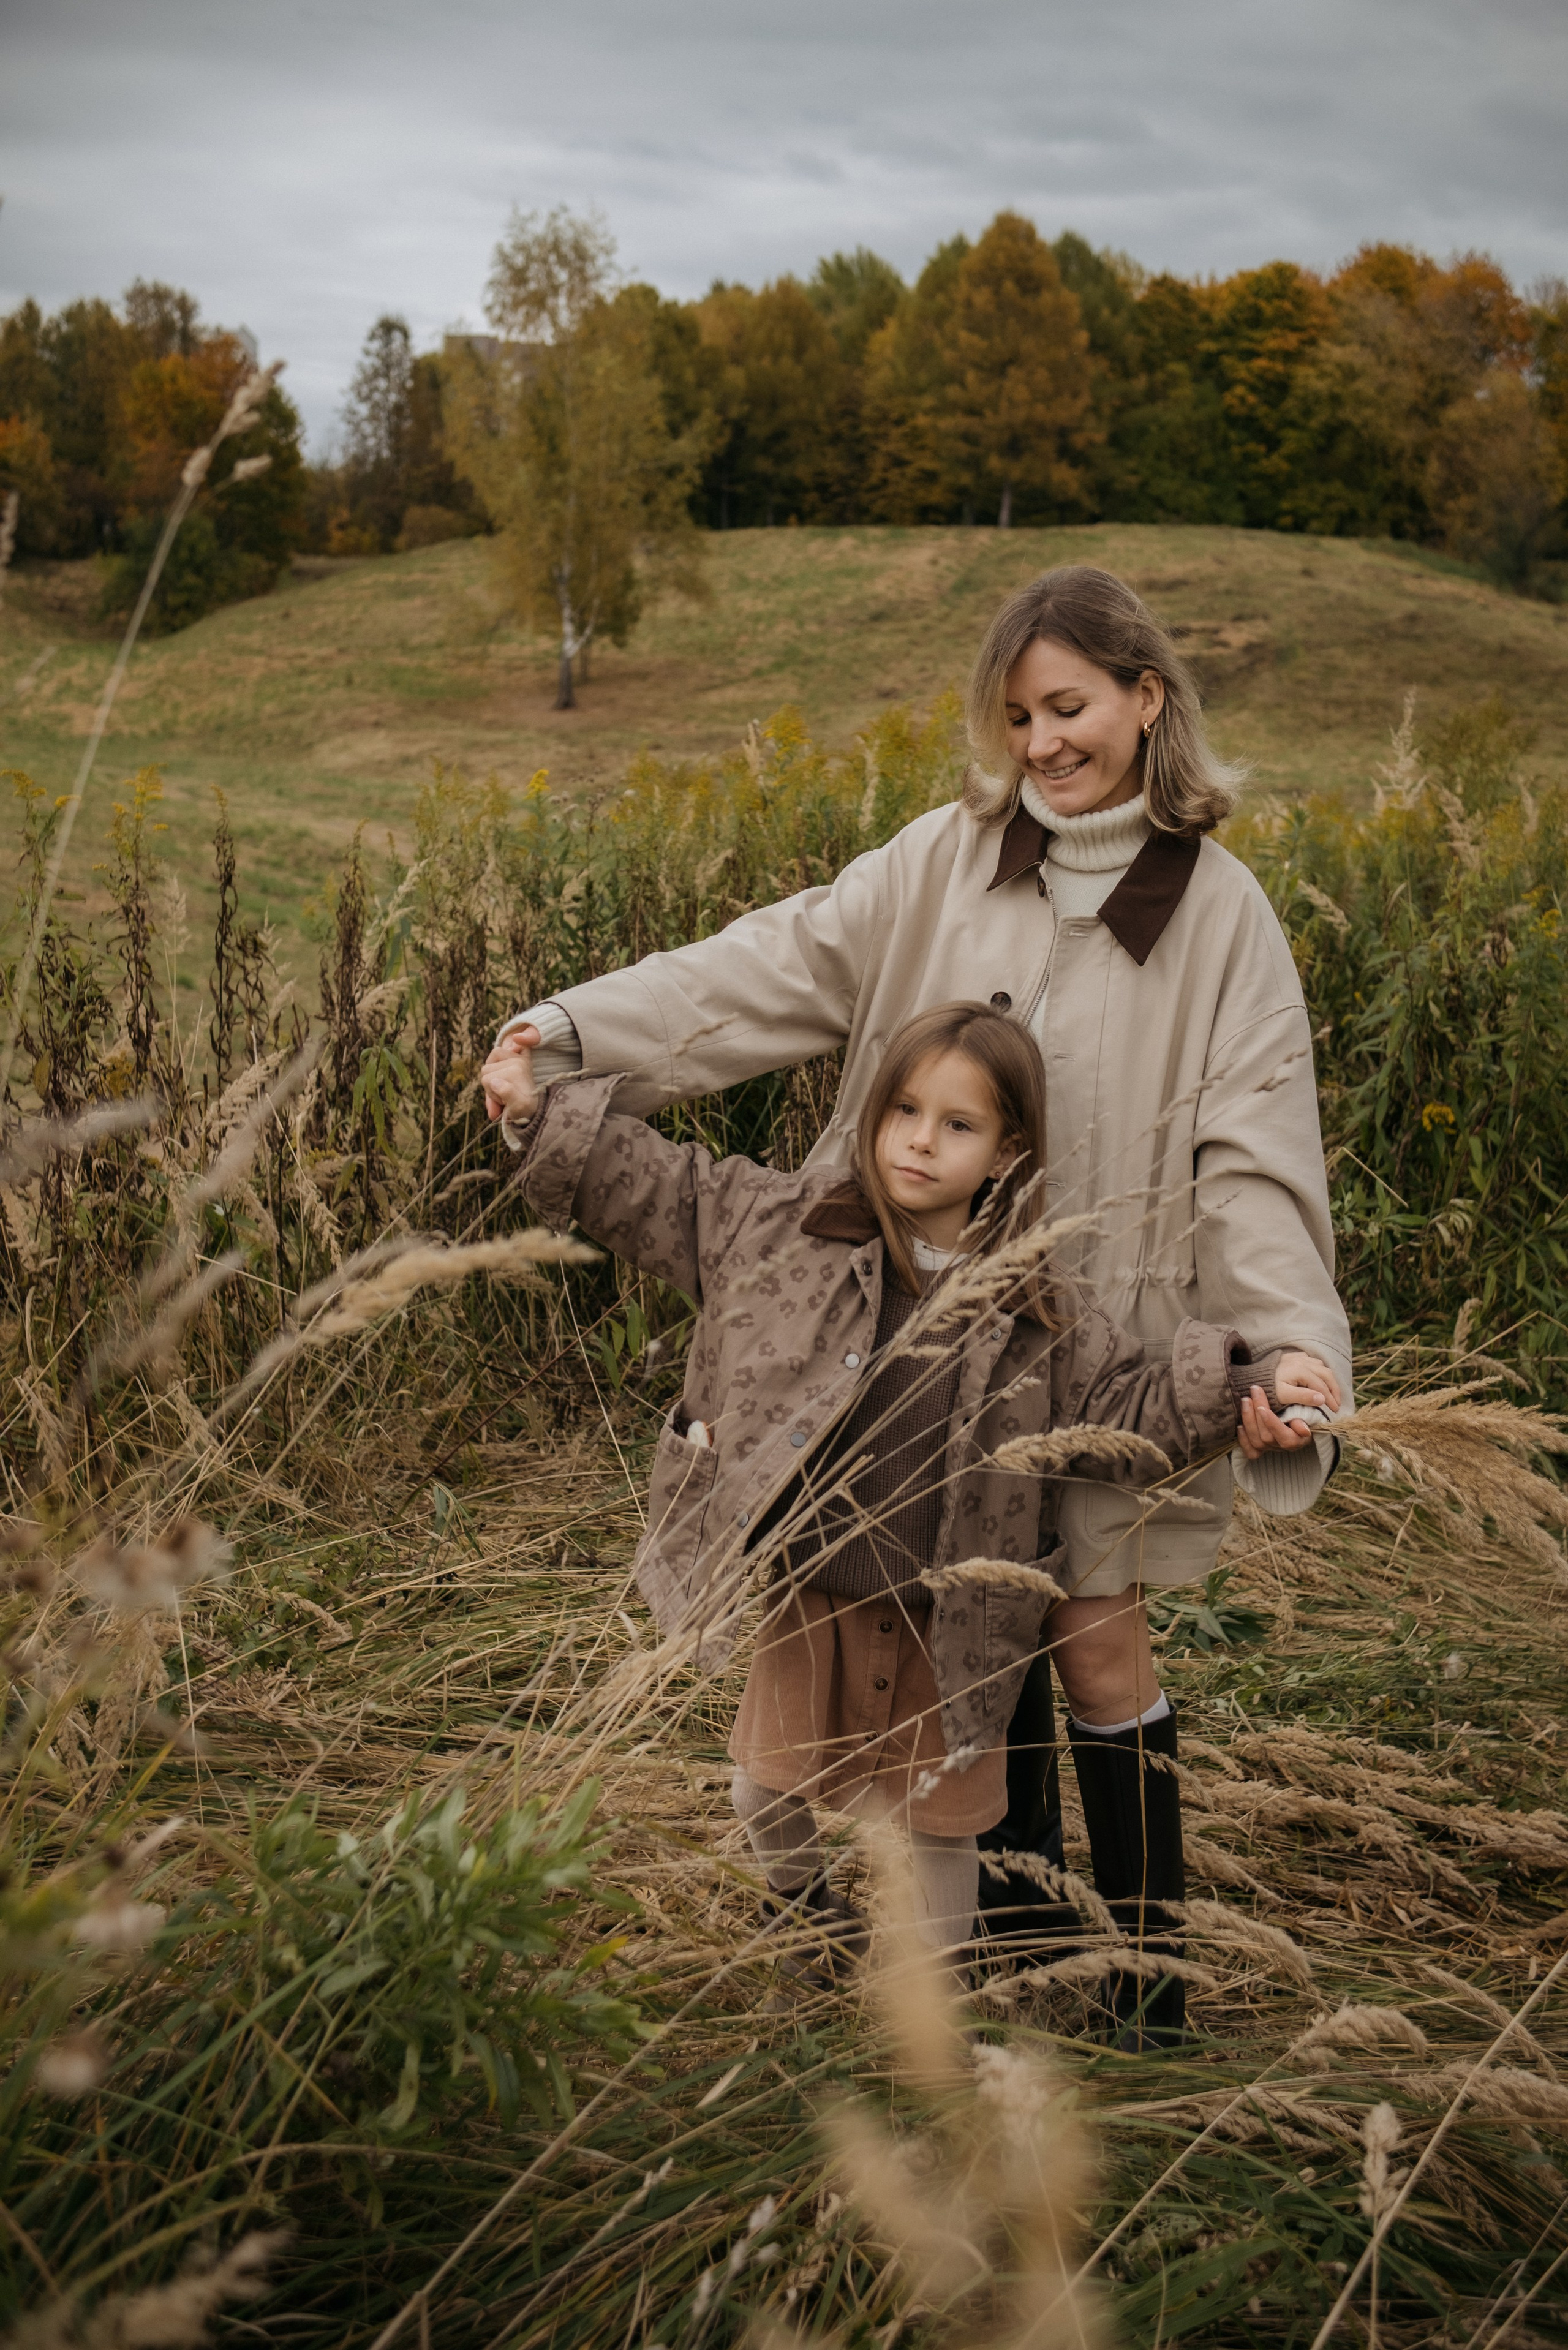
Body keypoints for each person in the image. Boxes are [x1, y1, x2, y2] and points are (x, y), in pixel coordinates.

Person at [483, 565, 1353, 2026]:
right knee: (957, 1623)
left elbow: (1254, 1161)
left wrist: (1285, 1357)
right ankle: (1004, 1945)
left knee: (1093, 1643)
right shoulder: (941, 860)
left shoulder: (1222, 918)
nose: (1041, 743)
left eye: (1067, 707)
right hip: (897, 1351)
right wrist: (570, 1031)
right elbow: (759, 969)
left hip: (1103, 1352)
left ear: (1146, 697)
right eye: (1016, 716)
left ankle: (1141, 1992)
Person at [505, 1001, 1340, 2037]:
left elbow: (1129, 1401)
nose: (919, 1141)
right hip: (812, 1592)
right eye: (903, 1109)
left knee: (938, 1835)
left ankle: (934, 2024)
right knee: (763, 1792)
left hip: (952, 1627)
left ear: (1007, 1151)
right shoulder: (787, 1225)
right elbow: (659, 1188)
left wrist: (1247, 1385)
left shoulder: (1036, 1305)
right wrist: (538, 1117)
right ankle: (810, 1925)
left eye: (957, 1124)